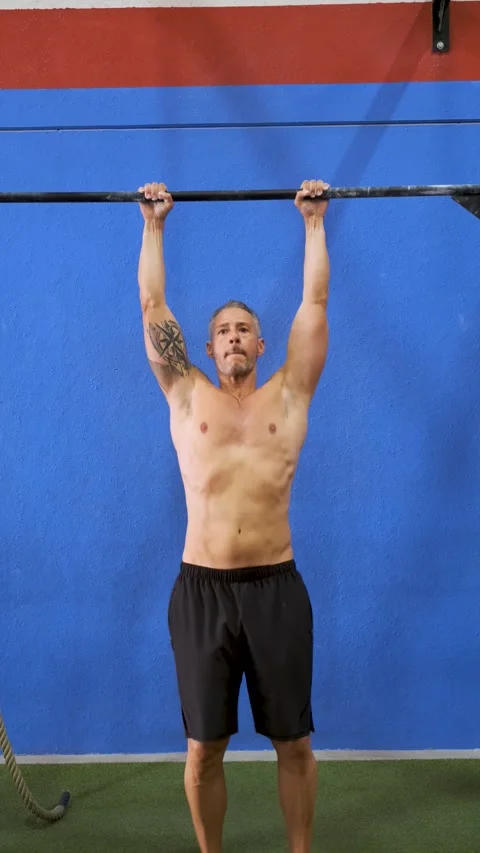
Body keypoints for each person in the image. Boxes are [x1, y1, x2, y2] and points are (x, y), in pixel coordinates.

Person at [137, 179, 330, 853]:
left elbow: (315, 302)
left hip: (277, 588)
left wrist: (312, 223)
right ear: (209, 349)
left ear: (261, 341)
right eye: (221, 331)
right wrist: (154, 226)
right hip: (202, 591)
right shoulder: (188, 397)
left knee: (295, 742)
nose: (232, 337)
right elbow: (154, 303)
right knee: (203, 748)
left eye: (243, 328)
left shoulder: (290, 395)